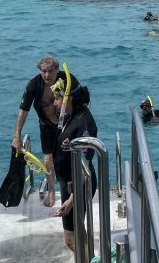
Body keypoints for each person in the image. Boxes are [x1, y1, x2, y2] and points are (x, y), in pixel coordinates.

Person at [11, 55, 79, 207]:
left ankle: (75, 191)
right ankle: (52, 191)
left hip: (68, 125)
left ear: (57, 69)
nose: (47, 75)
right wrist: (17, 135)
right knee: (48, 160)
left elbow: (81, 102)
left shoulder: (68, 80)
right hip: (47, 126)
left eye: (50, 71)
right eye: (43, 71)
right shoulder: (33, 86)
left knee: (71, 157)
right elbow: (23, 110)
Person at [50, 76, 97, 253]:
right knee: (74, 236)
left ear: (68, 98)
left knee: (72, 238)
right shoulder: (70, 116)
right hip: (69, 185)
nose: (54, 103)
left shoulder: (84, 124)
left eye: (56, 98)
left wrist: (72, 199)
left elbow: (85, 167)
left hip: (79, 187)